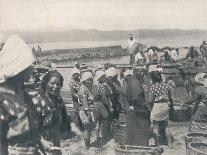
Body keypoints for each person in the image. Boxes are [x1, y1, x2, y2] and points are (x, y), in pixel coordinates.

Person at [0, 35, 40, 155]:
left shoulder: (23, 94)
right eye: (29, 66)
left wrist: (40, 143)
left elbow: (29, 129)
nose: (32, 70)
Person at [32, 70, 71, 154]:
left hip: (55, 139)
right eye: (52, 83)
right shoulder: (37, 102)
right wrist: (41, 141)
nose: (55, 86)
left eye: (58, 84)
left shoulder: (59, 100)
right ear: (45, 84)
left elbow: (62, 119)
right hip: (41, 143)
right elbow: (30, 127)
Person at [124, 69, 150, 146]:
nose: (142, 74)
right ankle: (143, 146)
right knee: (143, 128)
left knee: (134, 129)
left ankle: (135, 145)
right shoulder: (135, 82)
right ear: (135, 73)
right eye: (140, 72)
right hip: (139, 109)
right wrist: (145, 107)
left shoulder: (133, 81)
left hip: (134, 108)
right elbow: (136, 98)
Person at [148, 71, 173, 147]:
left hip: (157, 106)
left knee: (156, 126)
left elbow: (150, 100)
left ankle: (157, 144)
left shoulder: (153, 87)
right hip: (165, 105)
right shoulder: (166, 85)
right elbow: (170, 97)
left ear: (153, 79)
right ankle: (169, 144)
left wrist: (150, 108)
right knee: (166, 125)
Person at [93, 70, 113, 145]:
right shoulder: (102, 86)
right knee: (105, 120)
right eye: (103, 77)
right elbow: (104, 98)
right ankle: (104, 137)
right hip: (101, 105)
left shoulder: (95, 85)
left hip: (96, 104)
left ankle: (97, 137)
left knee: (98, 122)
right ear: (100, 78)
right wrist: (110, 107)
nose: (104, 78)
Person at [78, 71, 94, 149]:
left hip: (87, 110)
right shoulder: (83, 89)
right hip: (85, 111)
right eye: (88, 80)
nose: (90, 81)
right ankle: (87, 146)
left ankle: (88, 145)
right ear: (84, 80)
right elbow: (85, 103)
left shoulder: (86, 87)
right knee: (87, 128)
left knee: (88, 128)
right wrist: (88, 113)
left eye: (91, 80)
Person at [69, 68, 83, 135]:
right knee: (77, 112)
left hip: (81, 99)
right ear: (73, 75)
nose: (78, 75)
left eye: (78, 74)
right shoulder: (72, 82)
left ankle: (81, 125)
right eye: (76, 74)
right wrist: (79, 97)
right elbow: (72, 93)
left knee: (81, 112)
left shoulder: (79, 81)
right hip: (76, 100)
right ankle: (78, 127)